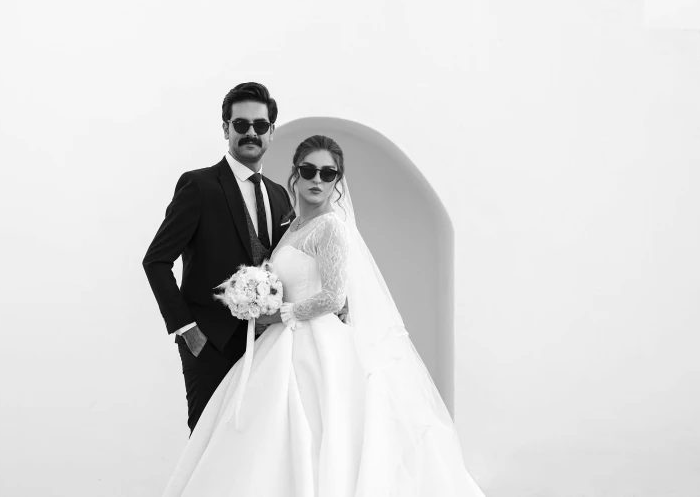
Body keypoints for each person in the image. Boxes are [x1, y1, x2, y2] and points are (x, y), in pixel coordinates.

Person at [161, 135, 485, 496]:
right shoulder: (292, 226)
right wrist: (253, 297)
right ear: (295, 176)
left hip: (314, 344)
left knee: (318, 431)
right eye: (309, 170)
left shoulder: (331, 227)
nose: (317, 179)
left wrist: (280, 315)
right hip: (280, 339)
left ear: (337, 182)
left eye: (328, 174)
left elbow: (333, 297)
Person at [142, 82, 295, 433]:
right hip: (210, 346)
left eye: (259, 126)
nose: (250, 133)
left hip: (268, 345)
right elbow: (156, 261)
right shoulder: (199, 186)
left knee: (257, 447)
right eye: (240, 125)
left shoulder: (279, 195)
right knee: (206, 445)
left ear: (271, 132)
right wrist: (188, 331)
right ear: (225, 128)